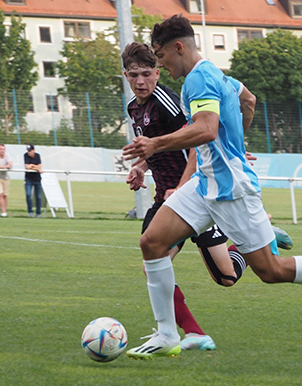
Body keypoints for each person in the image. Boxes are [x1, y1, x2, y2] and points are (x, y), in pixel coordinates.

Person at [122, 15, 302, 360]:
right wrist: (235, 144)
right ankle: (168, 334)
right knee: (151, 242)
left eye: (161, 55)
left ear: (178, 47)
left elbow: (206, 129)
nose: (161, 63)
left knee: (270, 271)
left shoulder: (196, 80)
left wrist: (155, 145)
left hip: (231, 189)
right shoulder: (218, 74)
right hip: (205, 184)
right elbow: (249, 100)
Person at [122, 42, 291, 351]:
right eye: (134, 75)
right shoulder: (134, 107)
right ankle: (193, 333)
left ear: (157, 73)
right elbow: (161, 146)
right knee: (154, 259)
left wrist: (182, 184)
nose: (140, 81)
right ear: (126, 76)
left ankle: (259, 237)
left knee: (225, 277)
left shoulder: (168, 102)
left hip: (198, 193)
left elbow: (196, 141)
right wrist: (141, 167)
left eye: (146, 74)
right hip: (171, 199)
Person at [24, 144, 43, 218]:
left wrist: (33, 166)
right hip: (29, 179)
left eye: (30, 151)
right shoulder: (25, 155)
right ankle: (30, 211)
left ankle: (38, 213)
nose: (29, 152)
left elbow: (40, 166)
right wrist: (36, 168)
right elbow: (27, 167)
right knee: (28, 195)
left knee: (38, 197)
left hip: (37, 179)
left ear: (34, 150)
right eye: (28, 151)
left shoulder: (37, 156)